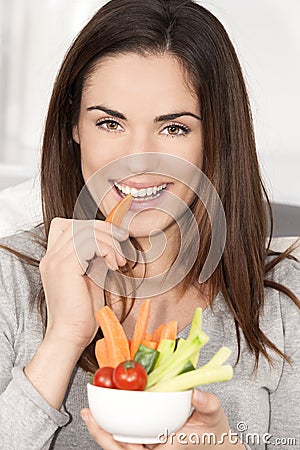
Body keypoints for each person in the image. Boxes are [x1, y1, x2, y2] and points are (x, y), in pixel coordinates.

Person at [0, 0, 299, 449]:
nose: (137, 158)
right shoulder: (10, 280)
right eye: (109, 122)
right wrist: (63, 339)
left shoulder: (282, 301)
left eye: (174, 128)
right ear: (73, 127)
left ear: (215, 136)